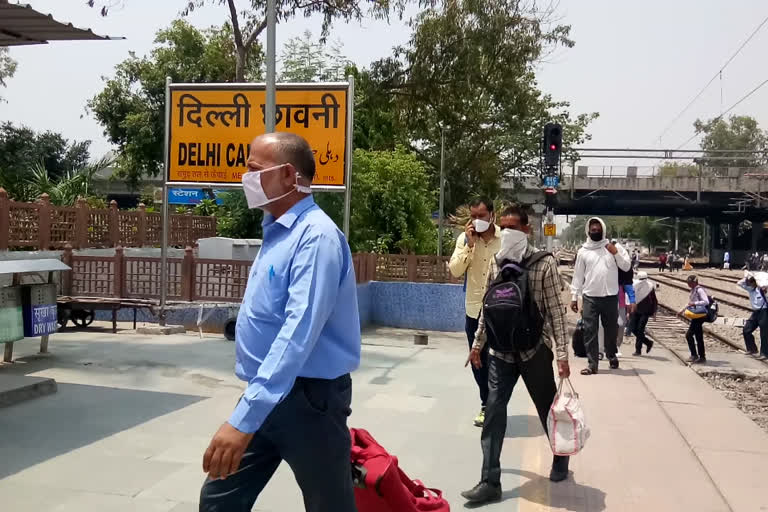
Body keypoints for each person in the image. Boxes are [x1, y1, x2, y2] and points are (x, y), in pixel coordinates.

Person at [198, 133, 360, 512]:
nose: (245, 178)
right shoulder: (277, 233)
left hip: (309, 401)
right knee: (219, 498)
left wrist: (245, 417)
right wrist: (252, 407)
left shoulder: (316, 238)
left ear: (288, 174)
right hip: (266, 392)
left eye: (254, 169)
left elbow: (298, 332)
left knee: (329, 505)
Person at [461, 205, 571, 505]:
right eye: (504, 227)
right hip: (500, 351)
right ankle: (489, 481)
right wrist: (477, 345)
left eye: (513, 227)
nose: (507, 233)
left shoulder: (544, 264)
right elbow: (488, 306)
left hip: (535, 350)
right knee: (494, 411)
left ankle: (560, 456)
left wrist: (562, 354)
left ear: (527, 230)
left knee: (546, 408)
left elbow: (556, 314)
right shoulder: (497, 263)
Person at [450, 197, 501, 427]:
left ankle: (495, 405)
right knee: (477, 360)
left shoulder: (504, 239)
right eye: (474, 216)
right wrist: (470, 246)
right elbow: (455, 270)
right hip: (474, 310)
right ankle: (485, 404)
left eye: (481, 215)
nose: (477, 220)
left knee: (497, 362)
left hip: (500, 312)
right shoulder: (465, 239)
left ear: (491, 214)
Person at [570, 217, 632, 374]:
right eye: (593, 230)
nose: (596, 232)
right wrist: (574, 297)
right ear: (588, 231)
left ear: (603, 230)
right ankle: (592, 364)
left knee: (611, 329)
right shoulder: (583, 251)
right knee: (590, 330)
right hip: (590, 297)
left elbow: (626, 267)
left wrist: (616, 253)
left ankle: (611, 354)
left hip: (610, 296)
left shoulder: (613, 247)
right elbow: (578, 276)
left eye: (598, 230)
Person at [681, 275, 710, 364]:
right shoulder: (693, 290)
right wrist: (682, 311)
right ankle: (701, 357)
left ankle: (694, 355)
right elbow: (690, 303)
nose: (688, 284)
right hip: (696, 315)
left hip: (700, 315)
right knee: (698, 336)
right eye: (688, 283)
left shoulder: (699, 290)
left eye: (690, 283)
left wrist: (695, 303)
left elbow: (706, 301)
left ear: (694, 282)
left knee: (689, 335)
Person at [738, 273, 768, 358]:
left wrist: (760, 284)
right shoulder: (750, 289)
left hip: (764, 312)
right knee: (746, 330)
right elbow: (739, 283)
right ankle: (752, 349)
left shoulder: (763, 290)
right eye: (748, 282)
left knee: (764, 333)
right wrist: (747, 277)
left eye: (750, 282)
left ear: (755, 282)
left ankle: (764, 353)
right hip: (755, 313)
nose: (749, 284)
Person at [631, 272, 658, 356]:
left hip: (645, 312)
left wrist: (654, 312)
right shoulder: (634, 285)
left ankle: (638, 350)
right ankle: (648, 342)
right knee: (633, 329)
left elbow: (654, 300)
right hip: (636, 310)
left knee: (640, 329)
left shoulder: (650, 287)